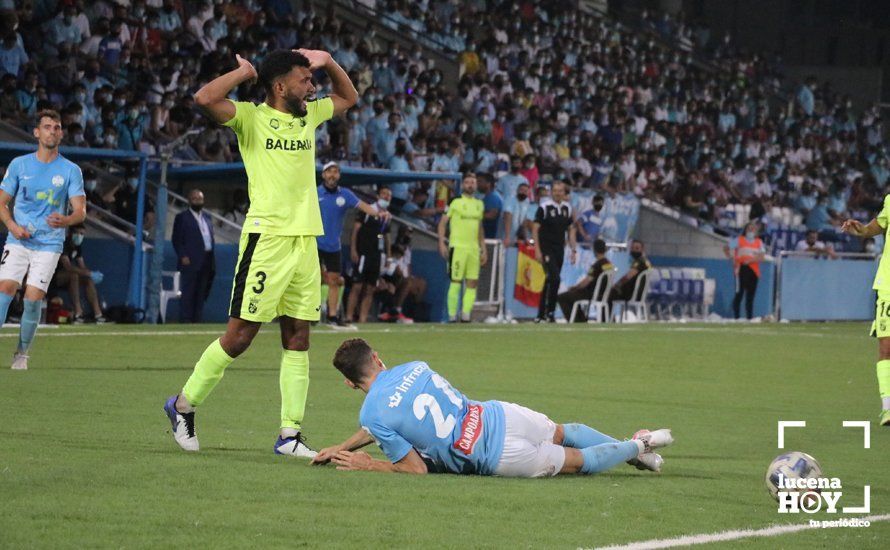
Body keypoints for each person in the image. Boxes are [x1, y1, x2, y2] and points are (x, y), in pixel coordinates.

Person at [163, 48, 358, 457]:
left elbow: (349, 98)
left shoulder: (310, 115)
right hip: (266, 240)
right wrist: (243, 72)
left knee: (298, 338)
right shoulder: (251, 118)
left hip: (305, 241)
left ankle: (289, 435)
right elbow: (203, 99)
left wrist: (327, 60)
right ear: (280, 85)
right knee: (239, 338)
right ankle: (182, 405)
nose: (312, 85)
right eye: (305, 80)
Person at [312, 338, 674, 476]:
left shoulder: (372, 413)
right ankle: (637, 451)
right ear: (377, 358)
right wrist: (341, 447)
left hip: (495, 454)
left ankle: (641, 444)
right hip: (499, 414)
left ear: (349, 382)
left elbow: (415, 469)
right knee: (569, 433)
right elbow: (388, 420)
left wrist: (367, 463)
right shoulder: (415, 366)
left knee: (581, 463)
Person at [0, 109, 86, 370]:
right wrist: (13, 226)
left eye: (57, 127)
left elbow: (80, 211)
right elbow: (2, 203)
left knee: (33, 297)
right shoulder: (19, 165)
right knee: (4, 289)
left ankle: (22, 354)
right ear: (37, 133)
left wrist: (67, 220)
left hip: (49, 244)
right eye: (47, 127)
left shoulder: (70, 170)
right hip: (18, 241)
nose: (52, 131)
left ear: (61, 133)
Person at [317, 161, 389, 328]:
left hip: (333, 246)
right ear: (323, 175)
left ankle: (332, 316)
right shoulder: (314, 193)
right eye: (329, 172)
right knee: (313, 279)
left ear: (339, 176)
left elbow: (365, 207)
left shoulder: (346, 195)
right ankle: (310, 313)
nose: (332, 175)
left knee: (335, 280)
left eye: (335, 172)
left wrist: (380, 213)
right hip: (314, 243)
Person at [841, 208, 890, 426]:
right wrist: (861, 229)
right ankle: (887, 408)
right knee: (886, 348)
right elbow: (874, 227)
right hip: (889, 288)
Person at [438, 173, 487, 322]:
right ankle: (452, 315)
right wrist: (441, 242)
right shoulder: (455, 201)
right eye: (467, 182)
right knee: (455, 281)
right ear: (463, 185)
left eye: (473, 182)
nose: (470, 185)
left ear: (476, 185)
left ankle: (466, 315)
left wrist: (483, 247)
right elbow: (442, 223)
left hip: (473, 249)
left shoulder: (479, 204)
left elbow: (479, 227)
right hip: (457, 247)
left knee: (472, 282)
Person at [532, 181, 577, 323]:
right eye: (555, 190)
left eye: (560, 191)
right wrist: (537, 250)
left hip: (559, 250)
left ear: (564, 193)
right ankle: (550, 312)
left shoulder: (567, 209)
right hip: (546, 249)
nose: (558, 193)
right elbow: (535, 229)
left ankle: (540, 315)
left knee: (550, 280)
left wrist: (573, 249)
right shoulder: (544, 207)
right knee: (555, 278)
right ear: (551, 192)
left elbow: (571, 230)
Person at [346, 187, 391, 324]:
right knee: (357, 285)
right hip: (363, 253)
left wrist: (388, 257)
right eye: (384, 194)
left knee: (371, 287)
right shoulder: (367, 209)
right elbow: (355, 230)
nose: (386, 197)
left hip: (377, 255)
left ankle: (363, 318)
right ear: (378, 195)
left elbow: (387, 237)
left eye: (389, 195)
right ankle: (348, 316)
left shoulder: (387, 215)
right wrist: (353, 250)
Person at [171, 189, 216, 323]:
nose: (198, 201)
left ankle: (197, 319)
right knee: (188, 291)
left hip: (207, 259)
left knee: (201, 292)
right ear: (189, 201)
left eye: (200, 199)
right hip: (190, 260)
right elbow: (177, 239)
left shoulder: (207, 218)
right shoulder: (182, 218)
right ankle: (186, 319)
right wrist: (183, 255)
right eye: (195, 199)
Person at [52, 224, 105, 323]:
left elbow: (82, 266)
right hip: (53, 277)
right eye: (77, 233)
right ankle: (78, 313)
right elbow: (68, 266)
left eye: (82, 234)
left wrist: (90, 274)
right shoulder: (63, 244)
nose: (79, 236)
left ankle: (98, 314)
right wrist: (87, 273)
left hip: (68, 277)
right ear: (70, 233)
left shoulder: (78, 247)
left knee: (87, 279)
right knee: (74, 275)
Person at [557, 239, 615, 322]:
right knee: (572, 296)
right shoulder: (609, 264)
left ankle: (577, 321)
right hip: (604, 295)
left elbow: (586, 281)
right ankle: (581, 320)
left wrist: (575, 287)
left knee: (562, 297)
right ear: (605, 249)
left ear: (594, 250)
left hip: (591, 294)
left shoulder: (597, 265)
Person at [723, 222, 764, 320]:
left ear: (756, 231)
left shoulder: (759, 242)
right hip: (741, 269)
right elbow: (726, 247)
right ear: (745, 230)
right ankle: (737, 317)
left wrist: (750, 260)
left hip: (753, 270)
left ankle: (749, 317)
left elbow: (761, 257)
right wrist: (731, 257)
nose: (751, 230)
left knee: (750, 296)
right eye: (749, 228)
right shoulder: (739, 240)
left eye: (753, 229)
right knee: (739, 293)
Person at [608, 240, 652, 313]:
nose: (634, 250)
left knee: (607, 295)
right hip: (638, 293)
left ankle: (607, 320)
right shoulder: (647, 262)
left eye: (637, 248)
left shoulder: (640, 262)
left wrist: (616, 285)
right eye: (632, 248)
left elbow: (628, 276)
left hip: (632, 293)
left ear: (642, 249)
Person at [501, 181, 532, 246]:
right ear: (517, 191)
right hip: (505, 237)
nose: (523, 192)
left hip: (516, 238)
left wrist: (525, 238)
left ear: (528, 193)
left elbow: (525, 221)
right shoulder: (510, 199)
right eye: (521, 190)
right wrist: (507, 236)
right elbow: (507, 217)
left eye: (525, 191)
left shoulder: (527, 202)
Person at [477, 173, 502, 239]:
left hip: (491, 235)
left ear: (488, 184)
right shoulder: (488, 196)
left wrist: (473, 216)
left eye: (480, 181)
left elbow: (492, 215)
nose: (477, 184)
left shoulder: (493, 197)